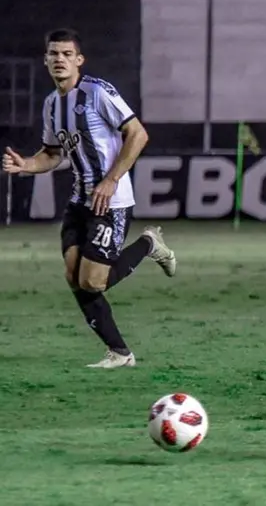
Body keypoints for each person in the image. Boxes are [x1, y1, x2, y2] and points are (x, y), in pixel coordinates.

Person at [1, 28, 177, 368]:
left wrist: (111, 179)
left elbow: (138, 134)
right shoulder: (52, 104)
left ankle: (149, 244)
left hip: (110, 202)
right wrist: (26, 164)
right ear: (45, 60)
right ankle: (120, 353)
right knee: (73, 276)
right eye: (53, 54)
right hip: (79, 201)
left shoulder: (97, 92)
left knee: (93, 281)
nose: (59, 60)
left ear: (79, 60)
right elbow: (52, 155)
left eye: (67, 54)